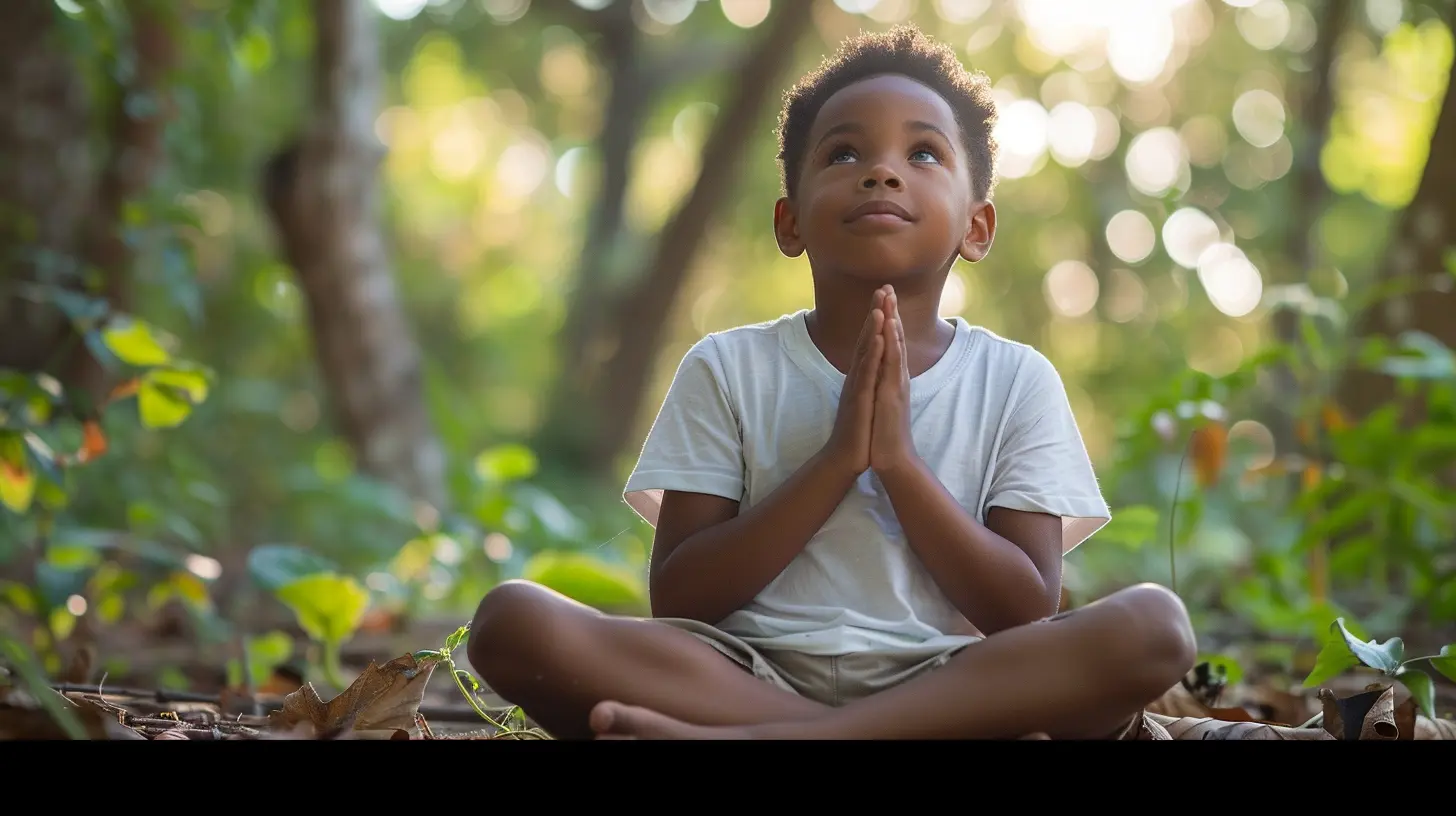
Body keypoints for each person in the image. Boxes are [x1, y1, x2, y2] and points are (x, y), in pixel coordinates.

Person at [467, 24, 1196, 740]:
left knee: (1153, 627)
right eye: (844, 152)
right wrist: (837, 461)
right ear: (790, 223)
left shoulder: (1015, 381)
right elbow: (682, 597)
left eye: (924, 153)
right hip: (743, 673)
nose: (882, 172)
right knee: (513, 622)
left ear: (977, 227)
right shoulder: (727, 368)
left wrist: (900, 466)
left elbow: (1024, 610)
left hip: (948, 680)